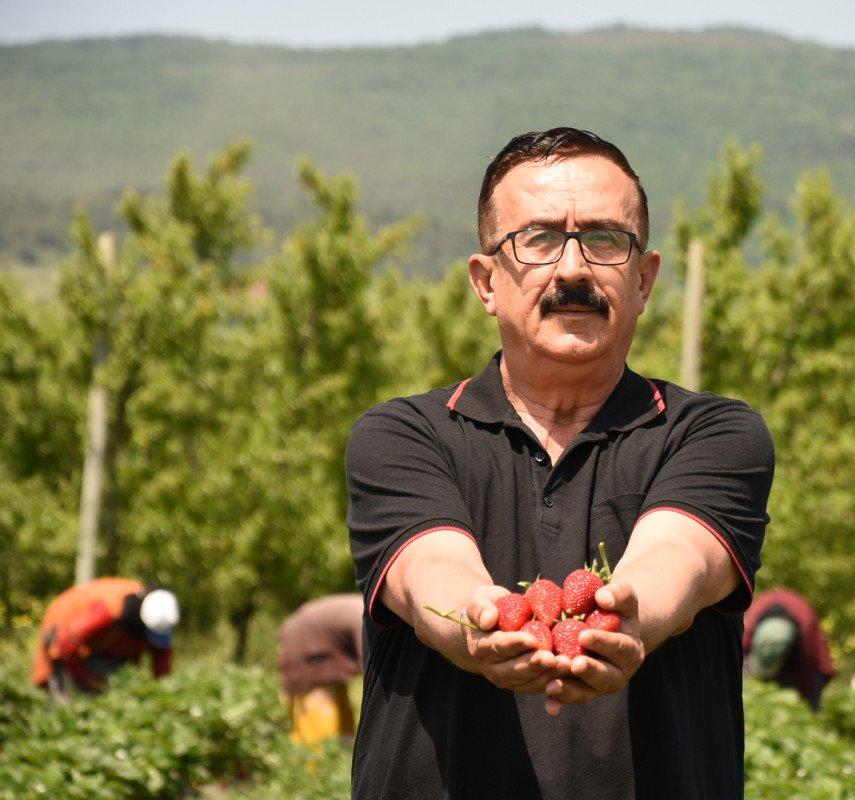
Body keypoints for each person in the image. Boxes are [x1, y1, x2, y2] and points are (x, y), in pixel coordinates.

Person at [346, 127, 774, 799]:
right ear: (486, 281)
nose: (573, 269)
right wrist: (478, 617)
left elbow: (680, 562)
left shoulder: (713, 433)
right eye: (539, 239)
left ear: (644, 278)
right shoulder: (404, 435)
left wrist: (623, 614)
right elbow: (430, 570)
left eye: (606, 239)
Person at [30, 577, 178, 700]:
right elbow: (67, 644)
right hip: (64, 631)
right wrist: (87, 679)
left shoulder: (160, 614)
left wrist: (160, 696)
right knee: (68, 698)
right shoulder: (107, 612)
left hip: (99, 644)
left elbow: (161, 657)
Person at [277, 593, 364, 744]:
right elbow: (373, 667)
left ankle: (343, 753)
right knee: (319, 707)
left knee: (340, 708)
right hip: (305, 641)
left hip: (319, 639)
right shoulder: (367, 617)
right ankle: (317, 760)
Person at [742, 588, 836, 711]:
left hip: (805, 667)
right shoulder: (751, 621)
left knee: (807, 707)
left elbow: (811, 670)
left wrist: (808, 705)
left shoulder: (805, 634)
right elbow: (741, 651)